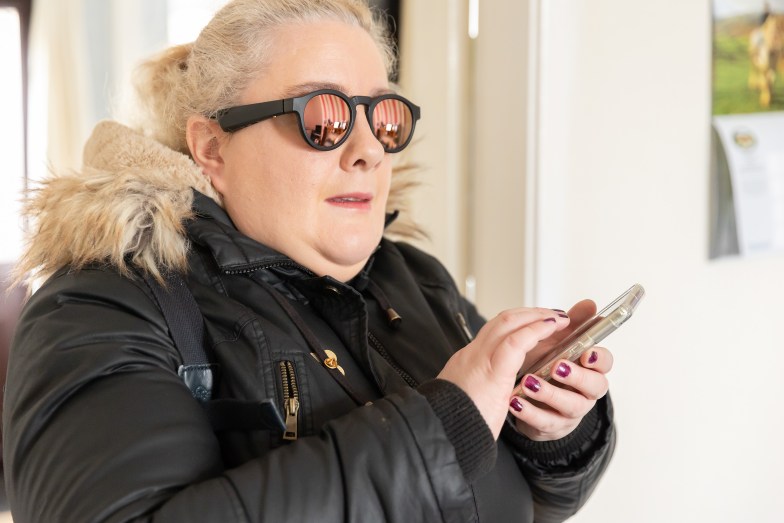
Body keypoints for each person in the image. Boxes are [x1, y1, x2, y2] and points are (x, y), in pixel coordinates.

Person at [2, 0, 616, 521]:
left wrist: (550, 435)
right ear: (213, 148)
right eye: (323, 118)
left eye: (384, 117)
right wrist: (445, 423)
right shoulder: (99, 307)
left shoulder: (415, 278)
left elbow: (507, 498)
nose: (368, 149)